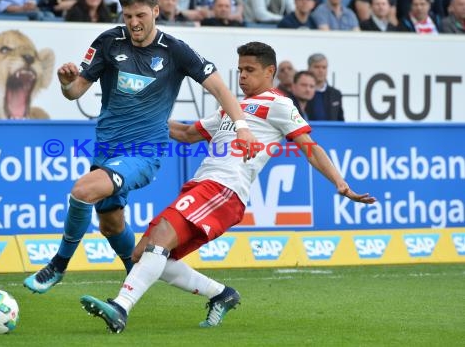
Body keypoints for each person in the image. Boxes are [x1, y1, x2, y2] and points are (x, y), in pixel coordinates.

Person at [79, 41, 376, 333]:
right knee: (143, 254)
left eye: (250, 70)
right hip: (203, 186)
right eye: (239, 70)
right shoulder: (232, 109)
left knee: (158, 239)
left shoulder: (279, 104)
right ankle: (221, 294)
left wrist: (341, 183)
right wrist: (140, 111)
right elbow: (184, 133)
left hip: (224, 188)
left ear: (269, 71)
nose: (242, 76)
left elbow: (309, 146)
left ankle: (120, 307)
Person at [23, 0, 257, 294]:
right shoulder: (108, 42)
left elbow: (219, 89)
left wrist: (242, 126)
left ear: (156, 11)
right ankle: (136, 273)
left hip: (145, 152)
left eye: (141, 15)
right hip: (106, 149)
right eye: (128, 15)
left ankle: (58, 265)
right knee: (111, 224)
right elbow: (75, 91)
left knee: (82, 190)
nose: (134, 22)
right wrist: (67, 83)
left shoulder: (174, 50)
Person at [306, 53, 345, 121]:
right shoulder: (302, 91)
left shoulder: (335, 94)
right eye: (317, 67)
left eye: (324, 67)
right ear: (309, 69)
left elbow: (340, 121)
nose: (321, 71)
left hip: (331, 131)